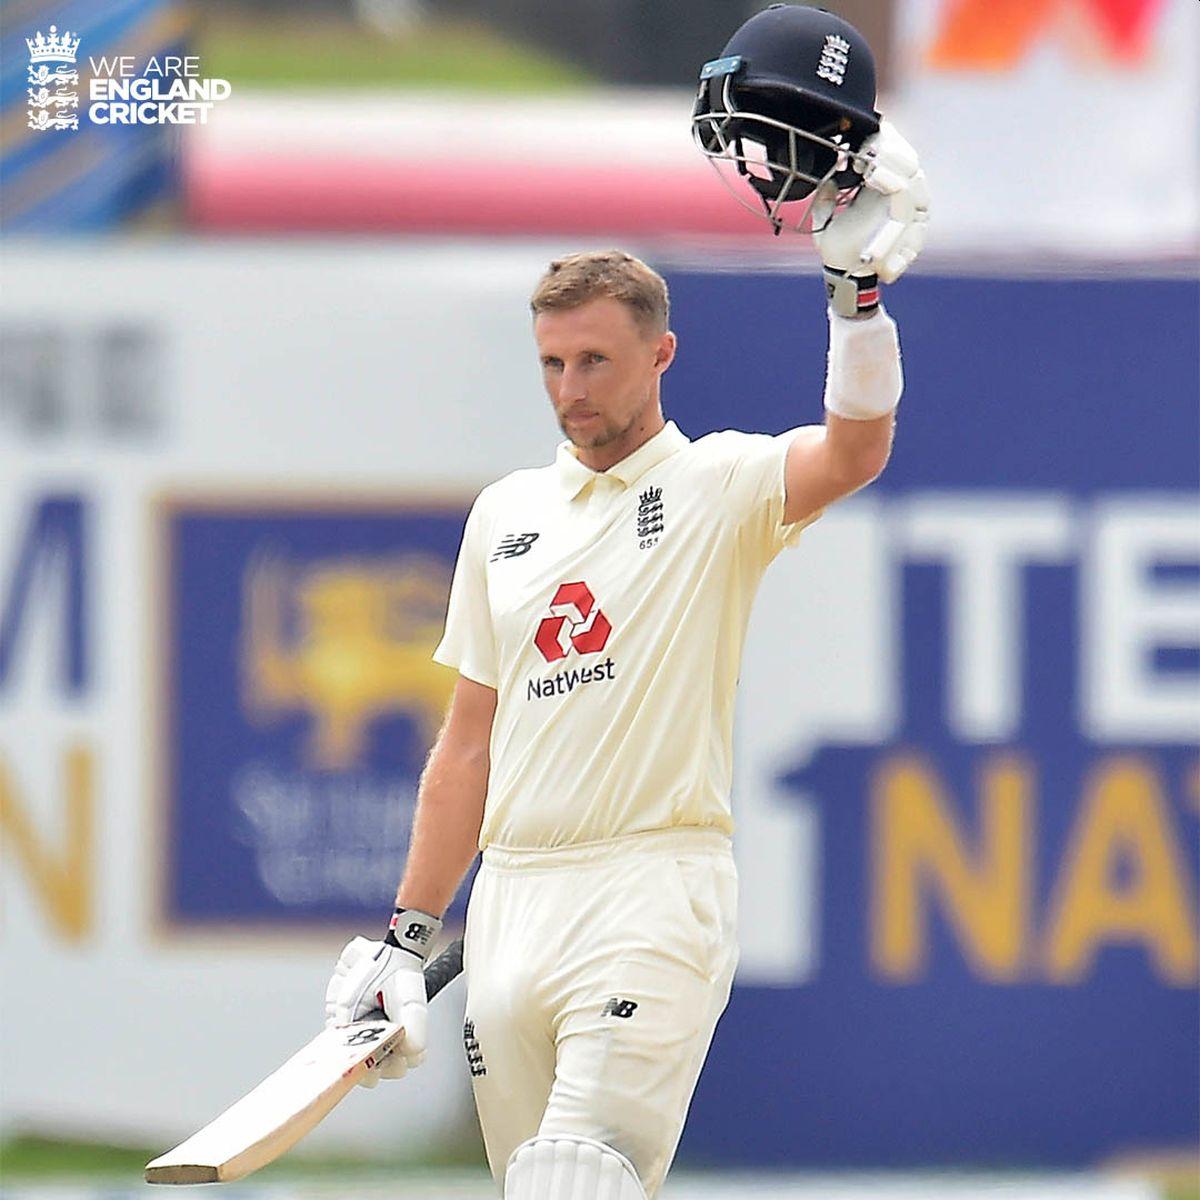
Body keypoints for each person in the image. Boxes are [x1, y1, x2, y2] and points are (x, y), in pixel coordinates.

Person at [323, 45, 927, 1199]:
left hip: (655, 883)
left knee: (573, 1177)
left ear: (661, 355)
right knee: (541, 1185)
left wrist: (857, 301)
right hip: (513, 903)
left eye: (596, 360)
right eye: (552, 363)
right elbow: (466, 745)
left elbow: (856, 448)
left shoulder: (718, 487)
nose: (571, 390)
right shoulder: (504, 516)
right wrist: (406, 936)